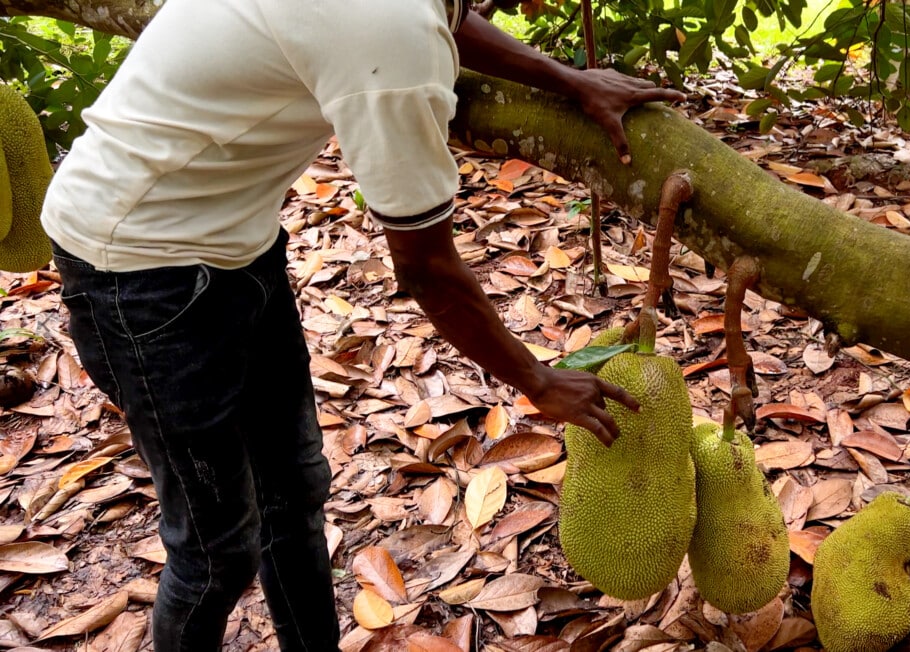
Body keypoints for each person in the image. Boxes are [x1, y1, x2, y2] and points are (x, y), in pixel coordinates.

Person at [39, 0, 683, 649]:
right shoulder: (392, 41)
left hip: (235, 240)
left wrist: (567, 79)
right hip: (135, 265)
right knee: (216, 549)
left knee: (293, 495)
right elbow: (428, 271)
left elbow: (447, 14)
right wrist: (536, 380)